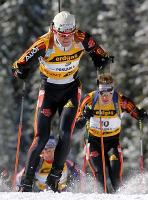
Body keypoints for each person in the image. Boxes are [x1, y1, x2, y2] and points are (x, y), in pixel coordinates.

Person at [12, 11, 112, 192]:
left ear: (74, 30)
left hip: (71, 90)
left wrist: (101, 59)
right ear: (54, 30)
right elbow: (19, 63)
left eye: (70, 34)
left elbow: (101, 53)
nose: (67, 39)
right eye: (62, 35)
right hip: (49, 91)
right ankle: (26, 183)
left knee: (65, 133)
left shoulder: (82, 38)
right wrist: (20, 71)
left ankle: (54, 178)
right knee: (41, 137)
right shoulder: (44, 42)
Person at [76, 73, 148, 193]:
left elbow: (136, 112)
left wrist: (142, 116)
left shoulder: (120, 100)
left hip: (112, 143)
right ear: (98, 90)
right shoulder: (89, 99)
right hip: (93, 142)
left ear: (112, 90)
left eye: (109, 92)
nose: (105, 97)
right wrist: (85, 117)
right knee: (100, 176)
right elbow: (77, 125)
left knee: (115, 177)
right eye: (102, 93)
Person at [16, 137, 81, 192]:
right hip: (41, 193)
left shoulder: (64, 162)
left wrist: (77, 186)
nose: (47, 154)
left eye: (49, 151)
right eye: (44, 151)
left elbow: (79, 174)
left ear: (55, 151)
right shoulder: (38, 163)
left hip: (62, 192)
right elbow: (19, 176)